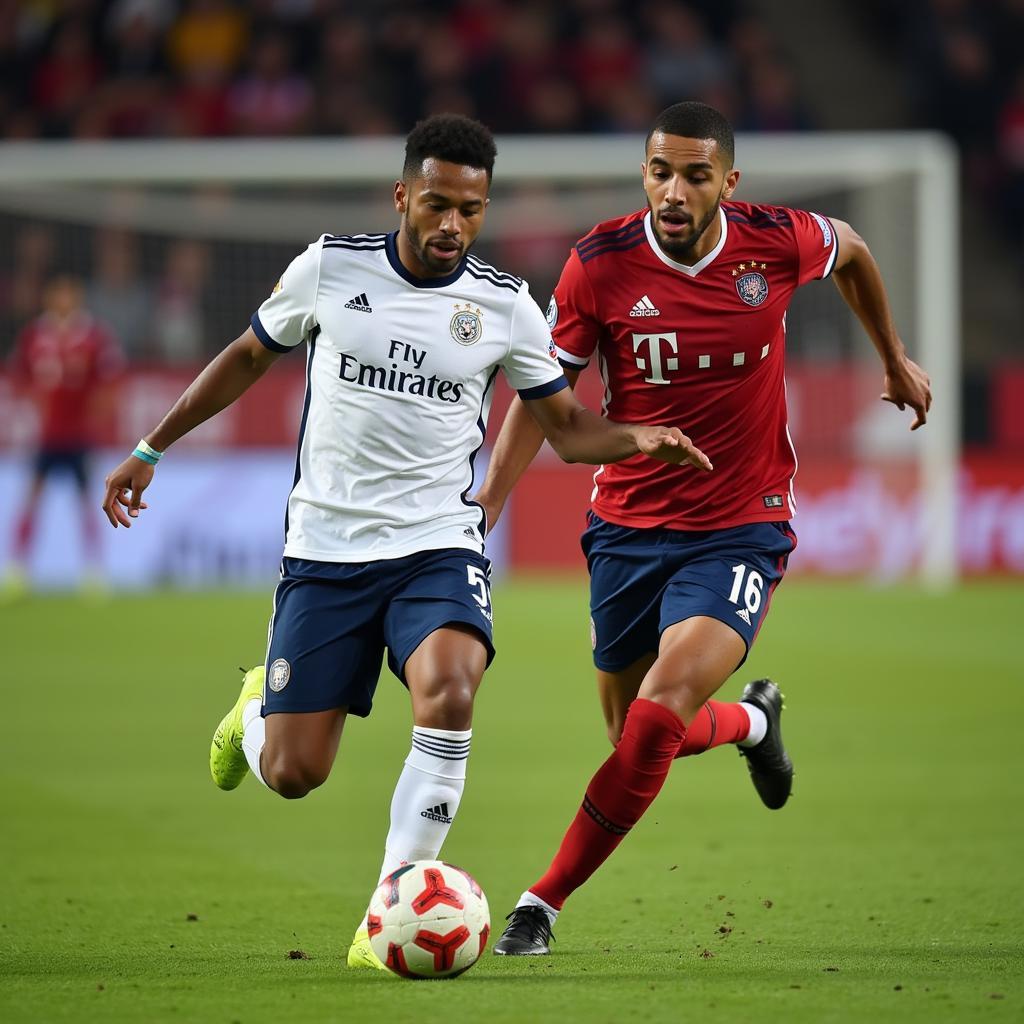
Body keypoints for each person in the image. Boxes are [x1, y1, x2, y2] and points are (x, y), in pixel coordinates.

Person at [99, 114, 711, 971]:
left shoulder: (503, 305)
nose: (452, 224)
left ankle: (385, 910)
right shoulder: (330, 267)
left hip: (438, 544)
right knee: (294, 772)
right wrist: (150, 449)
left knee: (452, 690)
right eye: (436, 204)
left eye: (471, 208)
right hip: (326, 550)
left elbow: (566, 429)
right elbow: (246, 355)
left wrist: (635, 437)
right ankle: (255, 714)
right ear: (403, 198)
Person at [476, 101, 932, 955]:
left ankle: (541, 902)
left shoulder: (778, 240)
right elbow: (545, 401)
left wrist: (892, 355)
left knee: (654, 720)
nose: (674, 191)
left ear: (730, 180)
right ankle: (756, 724)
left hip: (740, 522)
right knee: (633, 735)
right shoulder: (598, 265)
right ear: (642, 174)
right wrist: (490, 502)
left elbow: (857, 251)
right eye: (659, 172)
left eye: (694, 174)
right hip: (624, 524)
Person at [3, 275, 122, 598]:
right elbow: (21, 377)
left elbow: (109, 380)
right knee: (32, 498)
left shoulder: (93, 336)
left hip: (80, 435)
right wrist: (35, 408)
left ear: (77, 297)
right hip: (47, 435)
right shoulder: (35, 335)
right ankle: (18, 570)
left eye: (69, 293)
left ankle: (94, 572)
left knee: (90, 502)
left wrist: (96, 415)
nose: (63, 299)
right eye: (58, 293)